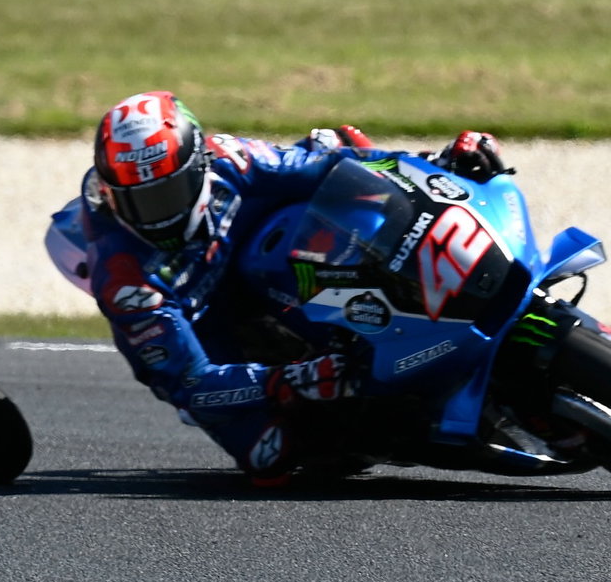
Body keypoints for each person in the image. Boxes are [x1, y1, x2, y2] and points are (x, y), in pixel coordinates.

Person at [44, 89, 512, 483]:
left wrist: (439, 162)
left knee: (339, 149)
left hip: (269, 260)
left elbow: (333, 162)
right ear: (110, 193)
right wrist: (293, 381)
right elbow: (191, 385)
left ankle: (412, 310)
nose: (157, 214)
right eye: (138, 201)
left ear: (198, 165)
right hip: (211, 333)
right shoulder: (124, 276)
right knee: (273, 459)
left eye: (166, 194)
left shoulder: (231, 160)